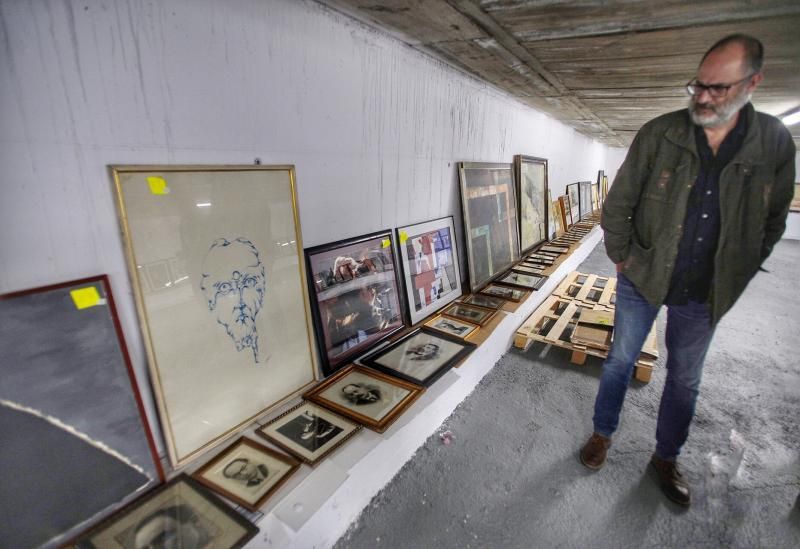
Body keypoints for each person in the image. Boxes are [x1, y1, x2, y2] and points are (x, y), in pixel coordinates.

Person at [579, 34, 795, 507]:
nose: (701, 96)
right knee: (619, 360)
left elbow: (773, 219)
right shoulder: (662, 133)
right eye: (698, 85)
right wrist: (621, 254)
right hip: (644, 273)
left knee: (684, 379)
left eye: (717, 89)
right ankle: (602, 434)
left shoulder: (774, 144)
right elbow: (619, 203)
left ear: (752, 83)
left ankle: (665, 457)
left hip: (705, 290)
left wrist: (739, 271)